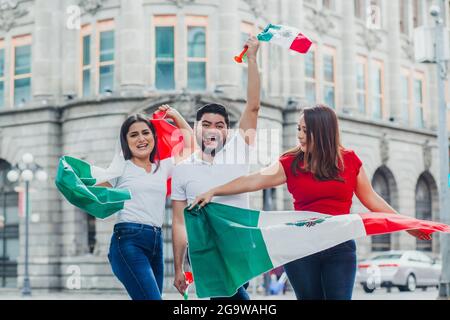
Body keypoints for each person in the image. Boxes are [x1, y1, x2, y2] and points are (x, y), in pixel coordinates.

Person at [190, 104, 431, 300]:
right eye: (298, 129)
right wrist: (215, 191)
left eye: (305, 130)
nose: (300, 135)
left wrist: (407, 223)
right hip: (301, 247)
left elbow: (371, 200)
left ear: (323, 130)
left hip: (340, 248)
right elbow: (255, 180)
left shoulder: (349, 161)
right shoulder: (291, 162)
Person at [171, 36, 261, 300]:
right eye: (206, 124)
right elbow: (179, 223)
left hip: (239, 248)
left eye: (220, 125)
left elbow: (253, 107)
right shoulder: (183, 169)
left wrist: (252, 58)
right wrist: (179, 268)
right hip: (205, 252)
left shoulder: (238, 150)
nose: (213, 129)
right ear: (197, 128)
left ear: (228, 131)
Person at [99, 105, 193, 300]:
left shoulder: (163, 167)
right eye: (133, 135)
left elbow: (191, 147)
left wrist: (176, 115)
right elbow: (97, 190)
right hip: (127, 240)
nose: (141, 139)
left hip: (156, 243)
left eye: (145, 133)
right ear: (125, 141)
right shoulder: (121, 165)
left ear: (154, 137)